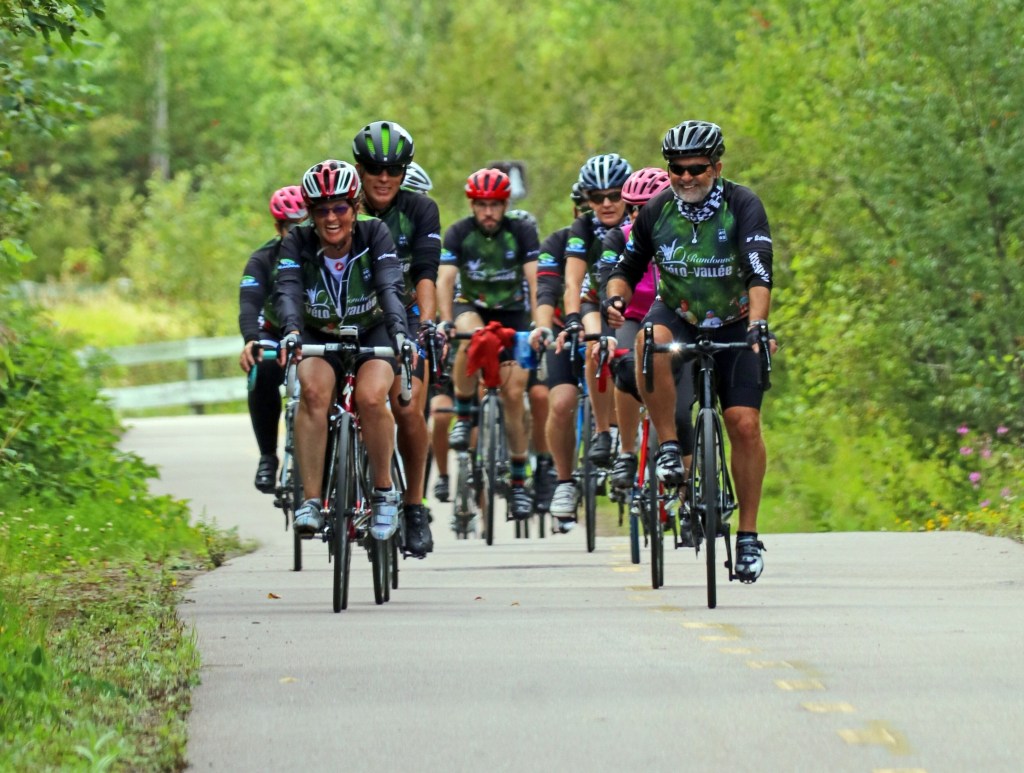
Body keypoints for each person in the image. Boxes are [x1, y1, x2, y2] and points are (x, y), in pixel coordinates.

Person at [605, 121, 778, 582]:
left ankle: (746, 536)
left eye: (697, 168)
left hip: (737, 317)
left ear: (716, 167)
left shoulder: (743, 205)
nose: (686, 177)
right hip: (678, 311)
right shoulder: (658, 209)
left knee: (744, 422)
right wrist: (617, 297)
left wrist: (759, 324)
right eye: (677, 169)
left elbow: (760, 273)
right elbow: (626, 267)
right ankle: (667, 446)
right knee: (648, 341)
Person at [274, 159, 411, 541]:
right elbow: (287, 290)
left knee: (370, 398)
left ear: (354, 207)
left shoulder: (375, 232)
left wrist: (399, 332)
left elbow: (389, 285)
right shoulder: (297, 241)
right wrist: (291, 331)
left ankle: (384, 493)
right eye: (321, 210)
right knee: (314, 394)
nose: (331, 218)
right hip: (320, 331)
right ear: (310, 213)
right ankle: (313, 501)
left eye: (339, 208)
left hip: (372, 328)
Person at [352, 121, 442, 557]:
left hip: (402, 318)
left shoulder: (420, 210)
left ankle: (413, 505)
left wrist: (426, 325)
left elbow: (426, 273)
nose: (383, 177)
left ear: (405, 171)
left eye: (394, 169)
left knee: (407, 406)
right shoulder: (339, 208)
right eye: (373, 168)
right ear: (359, 168)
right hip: (345, 315)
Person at [437, 168, 540, 521]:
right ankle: (464, 415)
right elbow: (446, 279)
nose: (488, 213)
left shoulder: (521, 232)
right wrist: (446, 322)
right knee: (472, 338)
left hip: (513, 313)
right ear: (472, 205)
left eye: (495, 205)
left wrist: (540, 322)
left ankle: (517, 480)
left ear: (505, 204)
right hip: (472, 306)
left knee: (514, 397)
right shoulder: (459, 233)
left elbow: (534, 277)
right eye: (481, 205)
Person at [562, 153, 633, 470]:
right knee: (595, 346)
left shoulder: (641, 219)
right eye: (596, 197)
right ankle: (603, 433)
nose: (606, 203)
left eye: (615, 195)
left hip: (634, 302)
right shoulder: (583, 226)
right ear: (586, 199)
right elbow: (573, 281)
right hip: (594, 299)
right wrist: (573, 317)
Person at [238, 185, 307, 493]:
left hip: (316, 329)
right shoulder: (263, 259)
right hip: (274, 331)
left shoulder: (328, 251)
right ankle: (268, 456)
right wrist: (251, 339)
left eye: (305, 224)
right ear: (278, 227)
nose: (298, 233)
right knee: (262, 370)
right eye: (291, 227)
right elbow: (249, 303)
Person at [530, 182, 591, 531]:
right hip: (563, 331)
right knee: (561, 402)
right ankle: (565, 481)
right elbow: (546, 290)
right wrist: (542, 327)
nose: (601, 207)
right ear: (576, 210)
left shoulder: (634, 235)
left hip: (610, 332)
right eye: (589, 203)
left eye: (614, 197)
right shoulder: (557, 242)